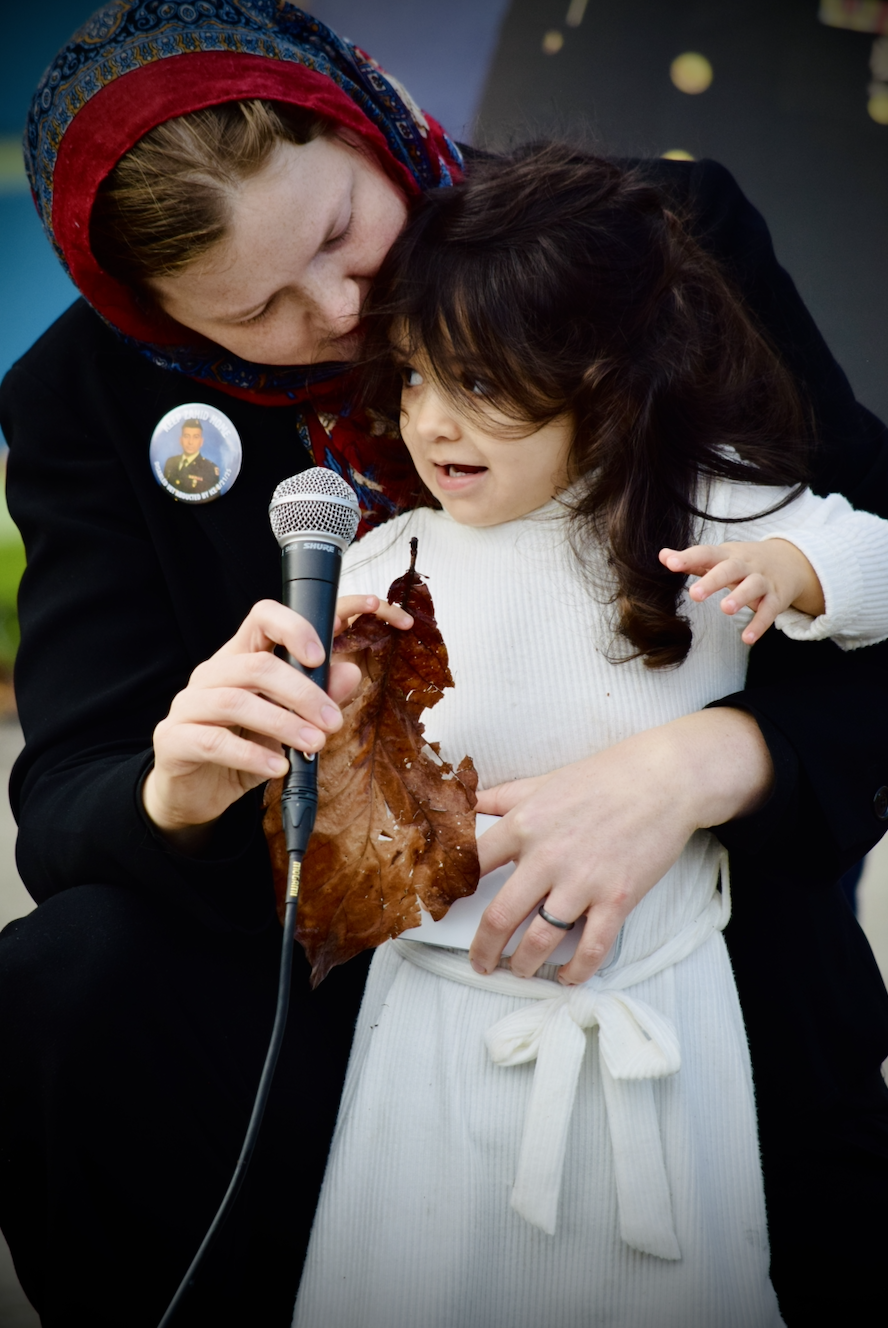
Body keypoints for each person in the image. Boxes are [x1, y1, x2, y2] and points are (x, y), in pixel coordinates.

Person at [0, 2, 885, 1324]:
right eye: (256, 314)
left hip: (677, 933)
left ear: (365, 114)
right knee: (61, 979)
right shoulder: (86, 397)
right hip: (331, 953)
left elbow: (864, 565)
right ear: (158, 320)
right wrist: (173, 788)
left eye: (344, 237)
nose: (348, 317)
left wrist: (701, 764)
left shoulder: (641, 245)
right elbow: (69, 793)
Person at [292, 146, 888, 1328]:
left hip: (666, 1018)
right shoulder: (378, 567)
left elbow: (877, 544)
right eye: (410, 378)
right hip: (437, 1030)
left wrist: (798, 569)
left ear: (600, 371)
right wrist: (344, 719)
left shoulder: (699, 501)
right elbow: (332, 875)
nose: (432, 421)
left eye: (477, 380)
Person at [162, 418, 220, 494]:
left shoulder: (209, 468)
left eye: (195, 437)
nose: (190, 442)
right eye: (186, 436)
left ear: (201, 441)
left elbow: (212, 498)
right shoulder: (170, 462)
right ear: (181, 440)